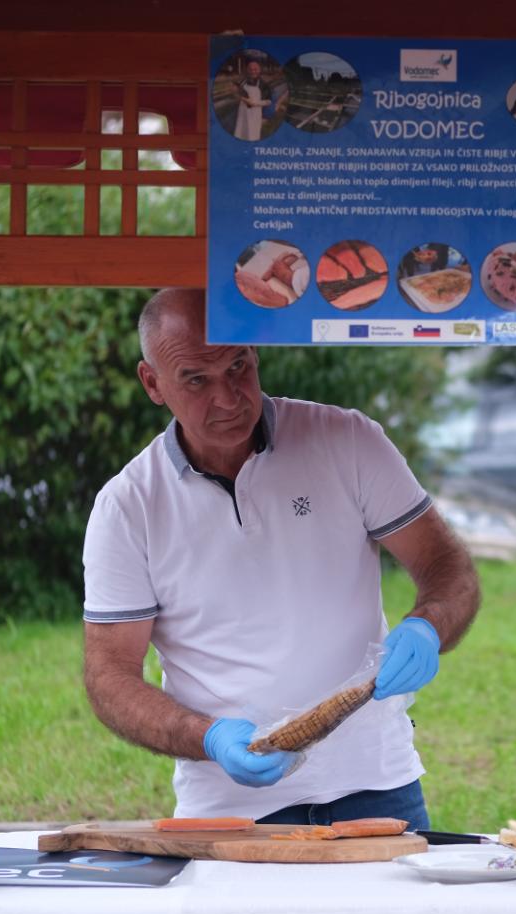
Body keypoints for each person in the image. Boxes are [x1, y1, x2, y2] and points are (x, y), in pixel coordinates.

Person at [81, 288, 480, 828]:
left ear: (256, 355)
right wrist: (210, 738)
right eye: (196, 379)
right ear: (152, 383)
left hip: (375, 781)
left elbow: (448, 569)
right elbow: (110, 678)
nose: (228, 398)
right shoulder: (129, 504)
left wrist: (429, 627)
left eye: (238, 366)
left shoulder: (346, 440)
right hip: (229, 805)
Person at [233, 60, 270, 141]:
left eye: (255, 69)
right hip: (242, 112)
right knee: (240, 133)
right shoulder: (243, 81)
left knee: (253, 136)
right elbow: (237, 93)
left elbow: (269, 101)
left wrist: (255, 103)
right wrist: (236, 93)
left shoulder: (263, 84)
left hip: (255, 114)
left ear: (259, 70)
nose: (253, 71)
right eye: (250, 69)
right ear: (247, 70)